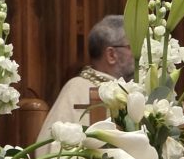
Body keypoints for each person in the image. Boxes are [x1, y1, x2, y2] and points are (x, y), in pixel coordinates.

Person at [35, 14, 134, 144]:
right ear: (111, 55)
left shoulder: (133, 90)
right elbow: (52, 148)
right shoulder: (77, 89)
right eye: (131, 47)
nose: (138, 53)